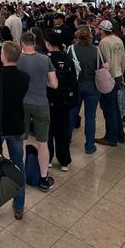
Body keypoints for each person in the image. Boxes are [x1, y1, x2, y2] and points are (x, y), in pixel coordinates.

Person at [0, 41, 29, 219]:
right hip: (16, 125)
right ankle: (19, 206)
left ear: (4, 56)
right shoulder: (25, 77)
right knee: (18, 164)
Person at [17, 32, 58, 192]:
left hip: (22, 104)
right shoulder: (45, 59)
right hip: (41, 103)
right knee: (42, 143)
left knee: (21, 141)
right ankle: (43, 177)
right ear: (34, 43)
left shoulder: (18, 60)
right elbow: (54, 84)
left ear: (21, 43)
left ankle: (20, 174)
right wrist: (43, 83)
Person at [44, 30, 76, 171]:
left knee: (48, 131)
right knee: (63, 130)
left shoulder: (46, 58)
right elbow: (73, 80)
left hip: (49, 99)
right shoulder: (68, 58)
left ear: (49, 44)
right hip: (65, 101)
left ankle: (49, 158)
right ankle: (64, 161)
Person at [68, 28, 102, 154]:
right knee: (90, 117)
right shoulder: (96, 50)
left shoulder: (71, 49)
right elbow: (100, 67)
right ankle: (89, 146)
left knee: (72, 113)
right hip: (92, 85)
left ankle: (66, 140)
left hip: (76, 85)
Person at [95, 20, 125, 147]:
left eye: (98, 29)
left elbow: (106, 63)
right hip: (118, 75)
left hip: (110, 78)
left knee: (109, 109)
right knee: (116, 108)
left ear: (102, 30)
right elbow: (123, 60)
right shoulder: (119, 40)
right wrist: (121, 74)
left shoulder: (103, 42)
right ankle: (120, 134)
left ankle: (111, 137)